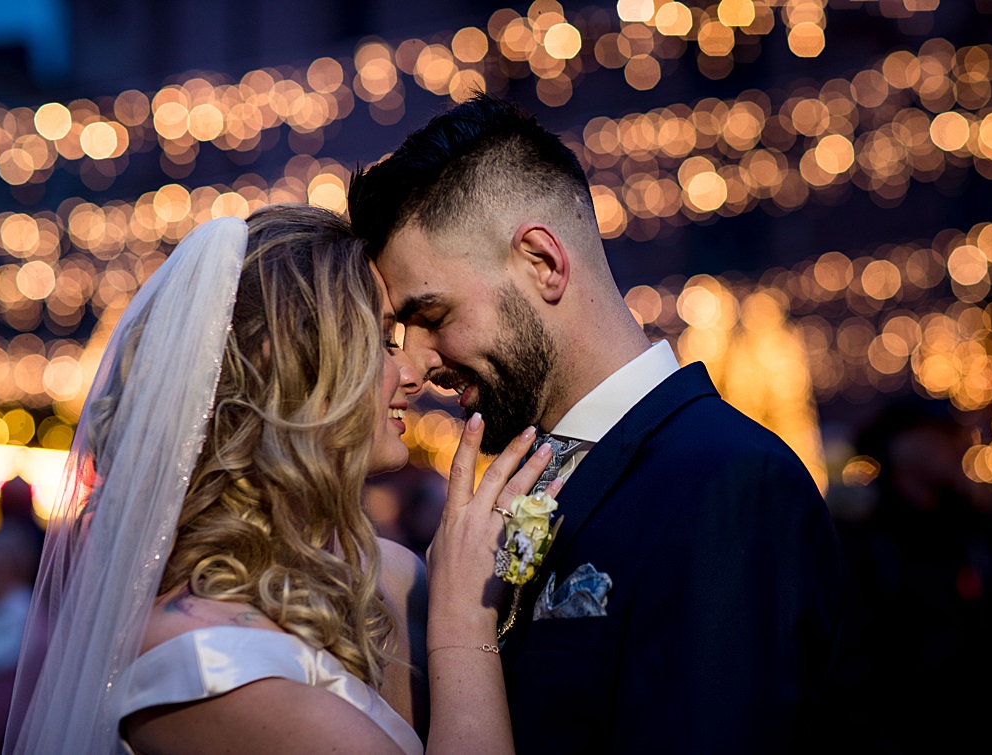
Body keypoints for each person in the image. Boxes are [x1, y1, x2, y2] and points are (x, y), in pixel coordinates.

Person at [346, 95, 842, 753]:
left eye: (433, 316)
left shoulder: (726, 482)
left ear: (544, 263)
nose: (420, 365)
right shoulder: (528, 483)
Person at [2, 204, 561, 754]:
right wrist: (465, 625)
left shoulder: (390, 574)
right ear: (288, 364)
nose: (414, 375)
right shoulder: (198, 663)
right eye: (384, 340)